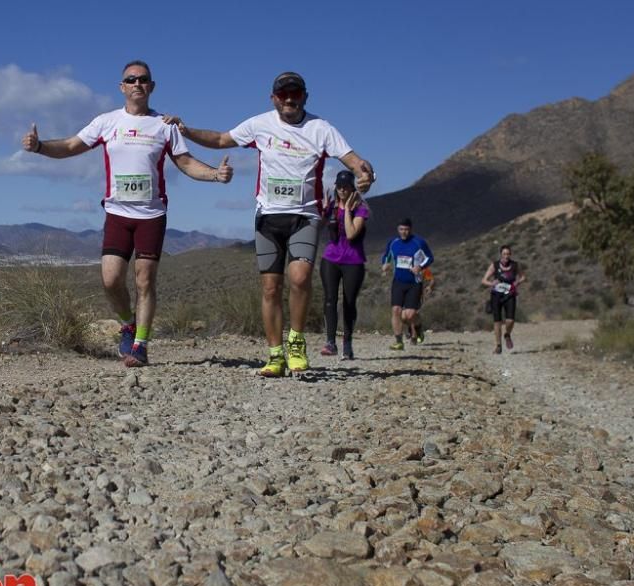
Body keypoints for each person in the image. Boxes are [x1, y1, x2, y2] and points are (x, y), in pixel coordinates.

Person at [22, 60, 232, 367]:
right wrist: (40, 147)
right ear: (122, 87)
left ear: (151, 86)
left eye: (143, 79)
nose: (137, 84)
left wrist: (216, 175)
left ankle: (141, 345)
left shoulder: (165, 125)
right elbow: (69, 146)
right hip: (118, 212)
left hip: (151, 214)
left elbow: (185, 163)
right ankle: (127, 323)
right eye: (130, 80)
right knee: (110, 279)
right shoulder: (107, 122)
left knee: (145, 281)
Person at [163, 72, 375, 376]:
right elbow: (222, 139)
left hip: (305, 215)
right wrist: (186, 130)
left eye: (295, 94)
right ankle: (275, 355)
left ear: (305, 96)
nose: (289, 99)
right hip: (268, 217)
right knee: (270, 287)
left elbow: (353, 160)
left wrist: (365, 175)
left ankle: (297, 343)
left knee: (300, 278)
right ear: (273, 98)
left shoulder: (321, 129)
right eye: (283, 94)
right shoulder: (260, 124)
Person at [320, 170, 369, 360]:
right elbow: (321, 227)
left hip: (353, 261)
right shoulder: (331, 206)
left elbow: (350, 233)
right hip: (330, 258)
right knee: (330, 299)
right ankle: (330, 342)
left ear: (352, 187)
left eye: (346, 186)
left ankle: (347, 342)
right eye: (339, 187)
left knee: (349, 302)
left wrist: (347, 210)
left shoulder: (361, 209)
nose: (342, 190)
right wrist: (324, 212)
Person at [381, 218, 434, 350]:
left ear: (410, 229)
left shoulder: (418, 242)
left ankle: (418, 327)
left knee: (410, 315)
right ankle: (399, 341)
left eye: (406, 229)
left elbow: (430, 257)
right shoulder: (393, 243)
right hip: (398, 281)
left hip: (414, 283)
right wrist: (385, 264)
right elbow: (386, 255)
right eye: (401, 229)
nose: (404, 232)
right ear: (398, 230)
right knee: (396, 310)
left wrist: (420, 267)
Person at [481, 245, 526, 353]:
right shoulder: (495, 265)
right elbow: (484, 280)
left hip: (510, 294)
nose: (506, 256)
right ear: (501, 254)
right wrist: (491, 283)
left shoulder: (515, 265)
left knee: (510, 320)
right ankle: (498, 346)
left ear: (510, 254)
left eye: (508, 254)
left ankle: (507, 334)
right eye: (504, 254)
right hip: (496, 295)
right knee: (497, 321)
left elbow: (523, 276)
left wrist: (517, 283)